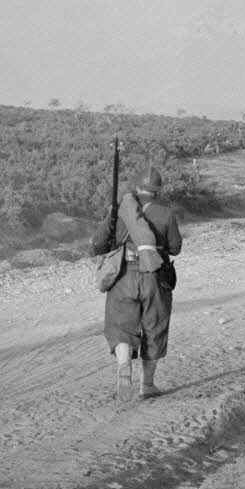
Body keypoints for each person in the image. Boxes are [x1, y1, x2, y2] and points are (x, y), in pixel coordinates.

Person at [91, 167, 182, 401]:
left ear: (137, 186)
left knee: (121, 327)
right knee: (155, 328)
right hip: (154, 277)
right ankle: (147, 385)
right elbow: (175, 248)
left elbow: (98, 244)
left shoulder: (118, 209)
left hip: (122, 276)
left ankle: (124, 366)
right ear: (157, 190)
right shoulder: (166, 213)